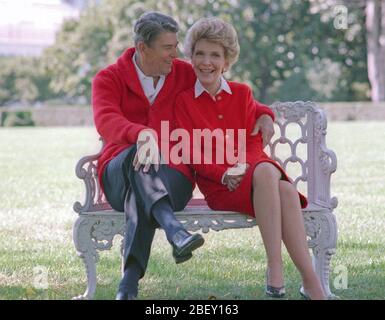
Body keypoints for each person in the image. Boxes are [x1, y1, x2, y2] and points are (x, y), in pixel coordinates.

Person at [91, 12, 275, 300]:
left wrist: (265, 114)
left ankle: (129, 282)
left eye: (176, 46)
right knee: (137, 158)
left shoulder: (182, 73)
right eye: (168, 48)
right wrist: (141, 134)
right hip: (119, 172)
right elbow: (106, 120)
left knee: (143, 179)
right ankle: (174, 230)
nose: (176, 54)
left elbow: (227, 92)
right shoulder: (109, 78)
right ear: (143, 48)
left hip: (172, 175)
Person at [174, 17, 326, 300]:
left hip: (257, 177)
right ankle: (285, 272)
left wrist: (245, 161)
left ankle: (307, 282)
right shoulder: (183, 101)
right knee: (278, 183)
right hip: (221, 186)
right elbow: (192, 154)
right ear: (191, 57)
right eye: (200, 54)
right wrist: (224, 174)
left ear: (227, 61)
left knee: (281, 186)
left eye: (215, 55)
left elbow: (255, 145)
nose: (206, 62)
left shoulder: (243, 93)